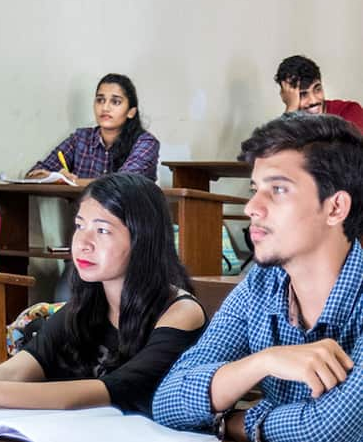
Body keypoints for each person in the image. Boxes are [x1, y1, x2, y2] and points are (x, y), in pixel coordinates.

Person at [0, 173, 206, 415]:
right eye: (80, 225)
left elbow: (116, 389)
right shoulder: (84, 307)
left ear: (143, 239)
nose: (83, 242)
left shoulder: (180, 312)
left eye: (103, 230)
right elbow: (14, 371)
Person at [153, 114, 363, 442]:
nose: (252, 207)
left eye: (277, 189)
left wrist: (240, 423)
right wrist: (263, 362)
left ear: (335, 208)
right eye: (255, 189)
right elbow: (167, 400)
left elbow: (332, 429)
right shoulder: (260, 285)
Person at [26, 73, 160, 184]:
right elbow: (33, 175)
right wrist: (54, 178)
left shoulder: (145, 142)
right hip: (85, 215)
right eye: (100, 100)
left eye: (115, 102)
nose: (105, 108)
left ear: (131, 111)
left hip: (129, 215)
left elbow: (122, 183)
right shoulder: (80, 139)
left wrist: (69, 181)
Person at [273, 54, 363, 132]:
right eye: (303, 94)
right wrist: (291, 109)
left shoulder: (347, 110)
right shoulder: (291, 126)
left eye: (317, 89)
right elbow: (273, 149)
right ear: (289, 99)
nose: (313, 101)